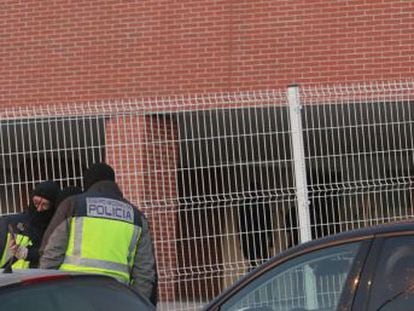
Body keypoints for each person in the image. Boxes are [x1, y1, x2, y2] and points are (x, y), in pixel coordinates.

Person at [39, 163, 158, 306]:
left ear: (88, 182)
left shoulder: (73, 205)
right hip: (117, 296)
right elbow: (144, 272)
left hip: (73, 294)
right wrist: (135, 304)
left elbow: (51, 252)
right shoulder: (137, 216)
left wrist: (47, 295)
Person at [2, 180, 60, 269]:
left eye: (45, 205)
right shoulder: (10, 223)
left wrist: (29, 254)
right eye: (36, 202)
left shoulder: (57, 228)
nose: (39, 209)